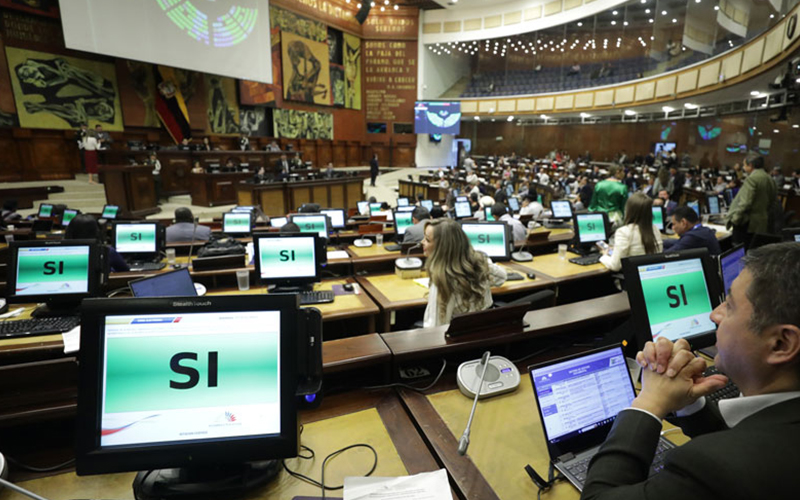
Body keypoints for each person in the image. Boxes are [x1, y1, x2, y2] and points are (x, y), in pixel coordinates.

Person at [583, 242, 800, 500]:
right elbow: (746, 441)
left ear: (781, 344)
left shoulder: (711, 468)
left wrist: (649, 402)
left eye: (729, 306)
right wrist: (688, 405)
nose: (714, 315)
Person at [421, 219, 506, 327]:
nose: (422, 242)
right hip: (486, 334)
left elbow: (434, 328)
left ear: (442, 247)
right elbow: (502, 277)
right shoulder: (480, 262)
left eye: (427, 240)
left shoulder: (442, 281)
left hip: (458, 340)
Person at [599, 193, 663, 272]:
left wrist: (603, 256)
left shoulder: (624, 232)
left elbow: (615, 266)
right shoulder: (655, 229)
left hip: (631, 281)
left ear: (629, 210)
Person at [726, 155, 778, 247]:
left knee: (740, 252)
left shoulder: (752, 179)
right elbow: (773, 202)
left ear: (750, 165)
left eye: (744, 165)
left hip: (748, 224)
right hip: (762, 222)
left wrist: (735, 219)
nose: (743, 167)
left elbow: (745, 202)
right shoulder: (770, 179)